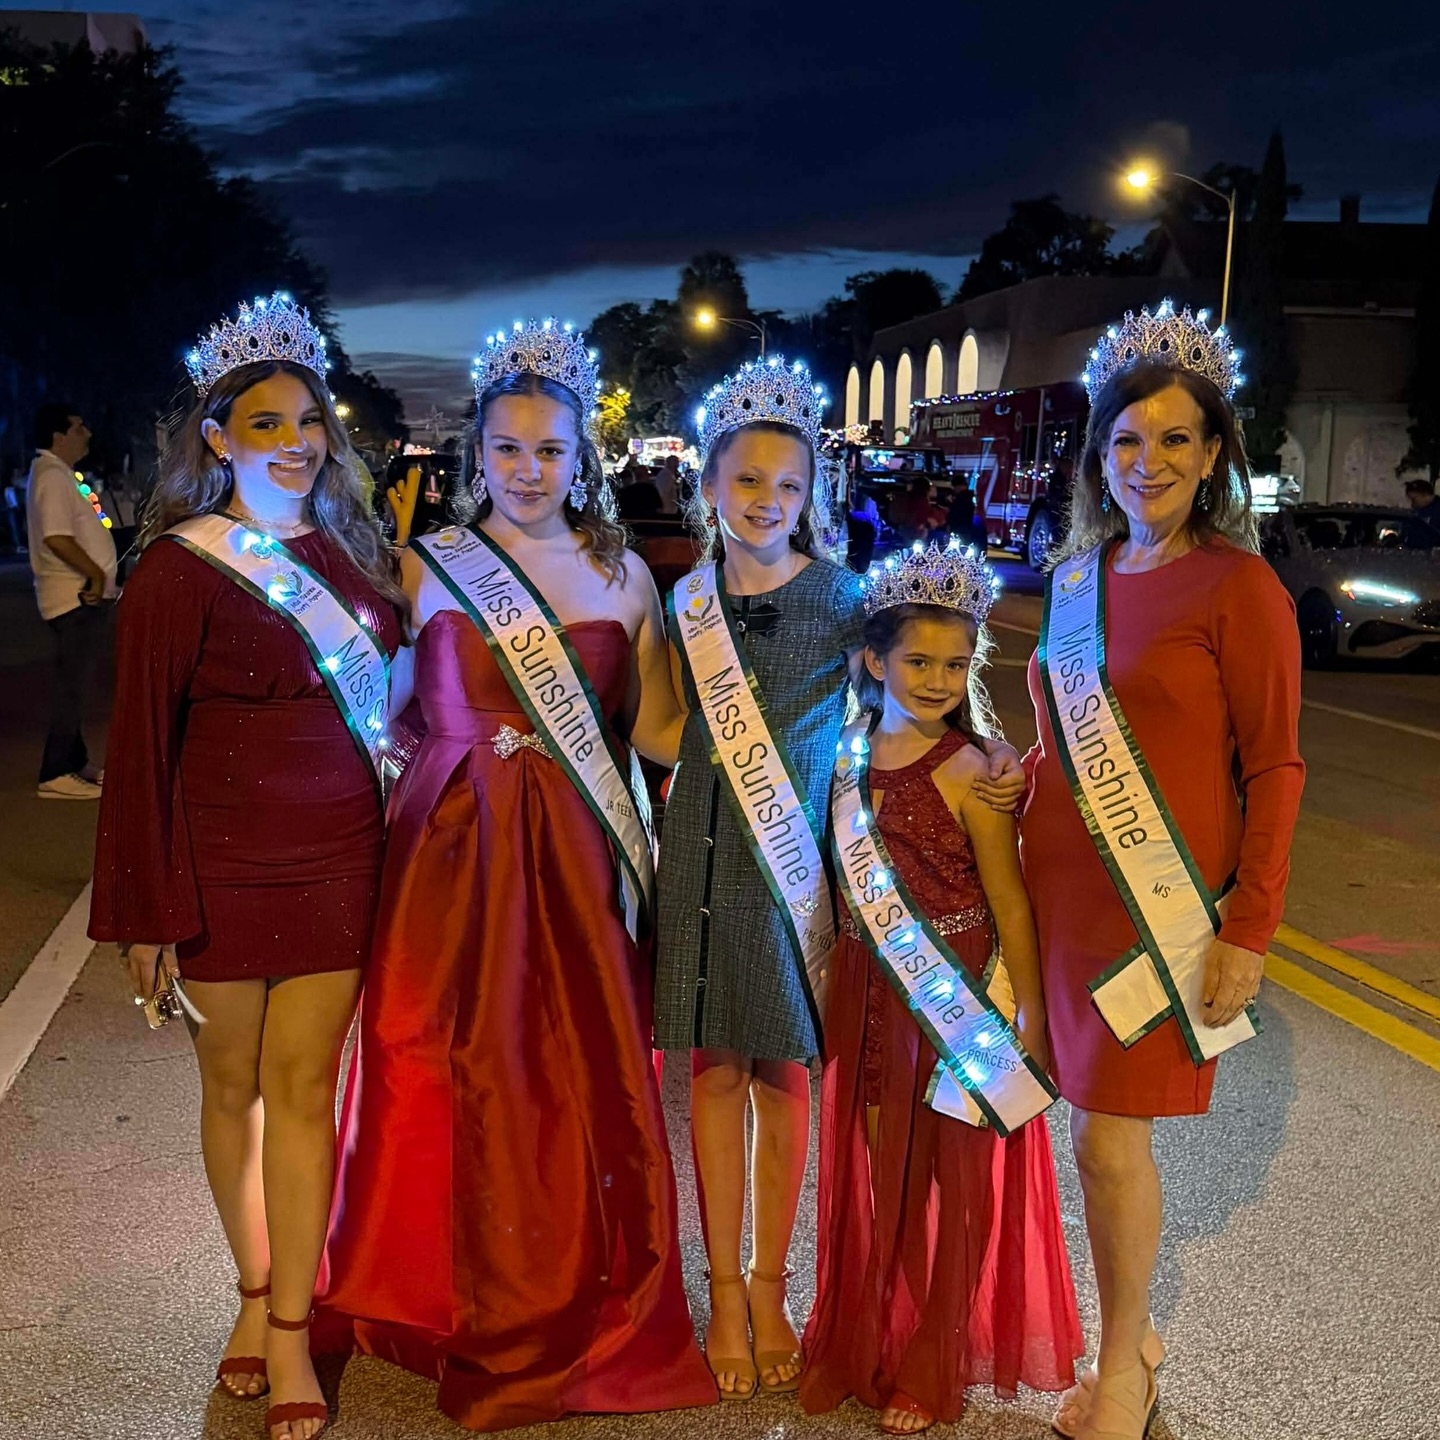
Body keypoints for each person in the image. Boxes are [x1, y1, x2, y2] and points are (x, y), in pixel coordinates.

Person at [316, 319, 714, 1431]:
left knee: (567, 1065)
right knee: (427, 1059)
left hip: (575, 858)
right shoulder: (421, 564)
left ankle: (564, 1284)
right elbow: (373, 706)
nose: (529, 471)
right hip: (445, 852)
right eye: (507, 450)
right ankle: (425, 1286)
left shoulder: (624, 574)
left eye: (550, 451)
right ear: (474, 454)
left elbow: (660, 734)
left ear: (582, 456)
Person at [654, 358, 1026, 1402]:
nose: (766, 501)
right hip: (705, 850)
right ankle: (723, 1290)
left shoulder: (847, 596)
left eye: (787, 484)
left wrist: (990, 750)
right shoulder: (683, 597)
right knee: (714, 1075)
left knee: (786, 1076)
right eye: (746, 482)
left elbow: (912, 703)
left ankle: (773, 1287)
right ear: (712, 486)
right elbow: (647, 720)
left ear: (811, 491)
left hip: (800, 867)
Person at [89, 293, 408, 1440]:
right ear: (219, 439)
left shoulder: (357, 555)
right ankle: (252, 1287)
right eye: (265, 424)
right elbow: (137, 751)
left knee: (307, 1089)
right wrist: (144, 907)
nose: (295, 441)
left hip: (336, 853)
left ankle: (288, 1331)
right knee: (233, 1091)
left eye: (307, 422)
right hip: (217, 859)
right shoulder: (177, 572)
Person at [1023, 303, 1305, 1440]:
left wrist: (1250, 927)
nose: (1150, 463)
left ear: (1215, 454)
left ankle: (1122, 1377)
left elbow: (1277, 765)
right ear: (1100, 453)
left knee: (1105, 1140)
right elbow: (1055, 736)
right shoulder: (1075, 580)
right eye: (1129, 440)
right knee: (1082, 1134)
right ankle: (1130, 1337)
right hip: (1059, 899)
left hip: (1159, 909)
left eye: (1177, 439)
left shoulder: (1241, 588)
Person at [802, 540, 1084, 1434]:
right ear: (872, 661)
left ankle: (937, 1358)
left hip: (955, 999)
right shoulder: (843, 757)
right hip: (868, 995)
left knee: (955, 1186)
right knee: (889, 1179)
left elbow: (1010, 901)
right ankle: (891, 1334)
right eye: (918, 661)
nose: (937, 680)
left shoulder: (972, 771)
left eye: (956, 664)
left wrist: (1030, 1020)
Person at [26, 401, 116, 799]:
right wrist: (95, 574)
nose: (88, 434)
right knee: (71, 688)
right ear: (58, 436)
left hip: (82, 596)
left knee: (77, 685)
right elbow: (56, 536)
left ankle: (75, 761)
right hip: (73, 597)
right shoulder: (50, 475)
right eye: (79, 428)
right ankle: (55, 772)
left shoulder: (60, 474)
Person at [1403, 477, 1440, 548]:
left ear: (1425, 495)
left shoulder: (1437, 511)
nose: (1412, 504)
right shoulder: (1417, 512)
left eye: (1414, 499)